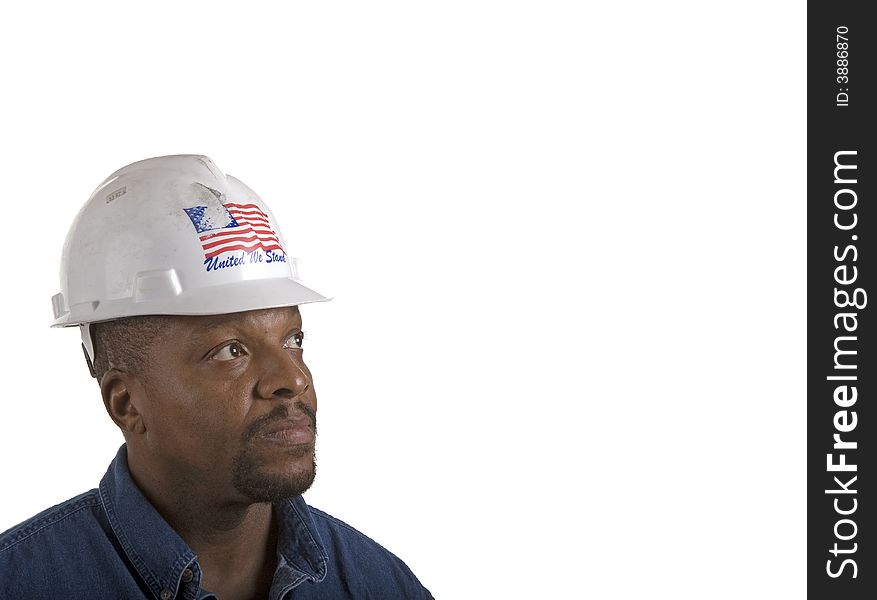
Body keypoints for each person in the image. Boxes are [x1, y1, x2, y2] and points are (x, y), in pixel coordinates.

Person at [0, 155, 433, 600]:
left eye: (293, 340)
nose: (293, 379)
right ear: (126, 402)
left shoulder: (376, 584)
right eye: (231, 351)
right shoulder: (20, 583)